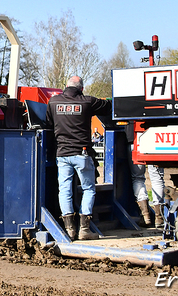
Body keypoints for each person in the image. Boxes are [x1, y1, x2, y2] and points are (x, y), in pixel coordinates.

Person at [46, 76, 111, 241]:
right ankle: (84, 229)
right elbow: (108, 106)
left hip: (62, 154)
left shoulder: (53, 102)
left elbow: (48, 123)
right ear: (81, 88)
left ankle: (69, 229)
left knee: (64, 190)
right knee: (88, 189)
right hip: (82, 153)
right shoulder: (87, 101)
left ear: (65, 86)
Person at [126, 121, 166, 228]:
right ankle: (159, 217)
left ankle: (146, 216)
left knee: (138, 178)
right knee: (157, 178)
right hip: (155, 138)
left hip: (134, 140)